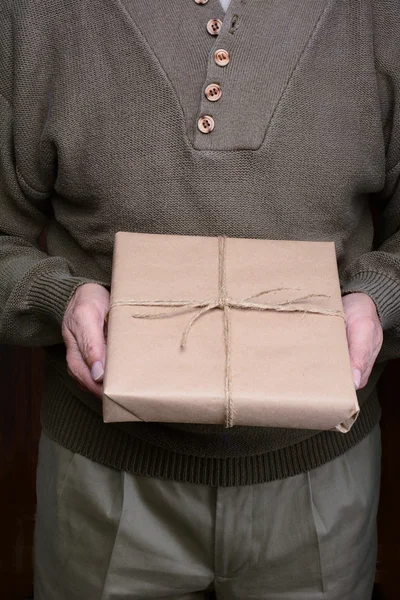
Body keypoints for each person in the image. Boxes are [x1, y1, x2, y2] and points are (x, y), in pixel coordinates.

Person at [0, 0, 398, 598]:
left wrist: (380, 297)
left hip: (319, 477)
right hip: (102, 477)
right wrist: (57, 296)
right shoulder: (36, 14)